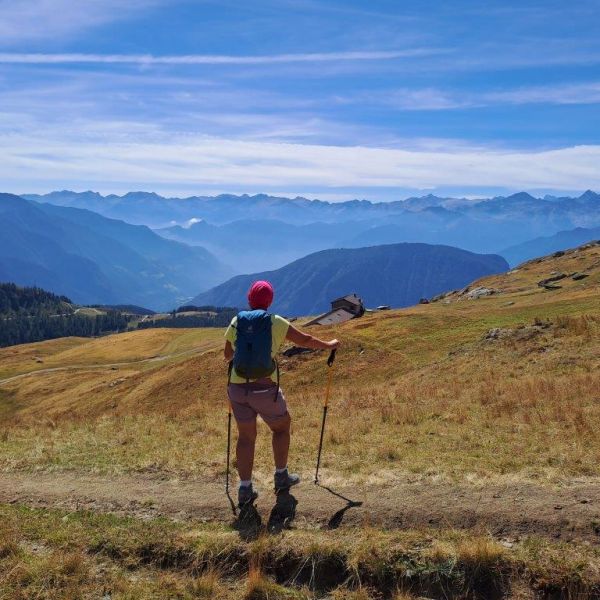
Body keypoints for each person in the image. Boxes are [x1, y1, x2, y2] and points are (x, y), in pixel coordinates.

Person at [224, 280, 339, 506]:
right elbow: (305, 340)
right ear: (270, 301)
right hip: (265, 388)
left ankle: (245, 489)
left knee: (246, 437)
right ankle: (281, 476)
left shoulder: (236, 321)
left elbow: (227, 355)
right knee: (281, 426)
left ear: (249, 298)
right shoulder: (275, 322)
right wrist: (330, 344)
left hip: (237, 389)